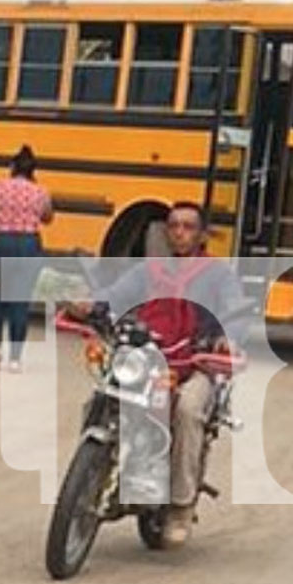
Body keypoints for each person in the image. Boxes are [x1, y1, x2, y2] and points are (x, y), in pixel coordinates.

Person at [74, 201, 250, 548]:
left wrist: (226, 339)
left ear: (201, 235)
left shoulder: (217, 273)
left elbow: (236, 312)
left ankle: (180, 507)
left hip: (195, 364)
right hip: (146, 357)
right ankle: (91, 473)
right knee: (102, 394)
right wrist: (89, 306)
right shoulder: (148, 271)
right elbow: (114, 297)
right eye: (173, 226)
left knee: (186, 410)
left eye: (187, 227)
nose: (179, 233)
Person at [0, 145, 53, 371]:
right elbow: (48, 217)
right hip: (28, 244)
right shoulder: (40, 192)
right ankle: (15, 359)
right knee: (20, 301)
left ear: (11, 167)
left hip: (1, 242)